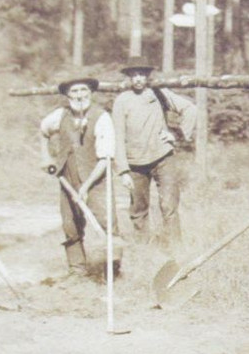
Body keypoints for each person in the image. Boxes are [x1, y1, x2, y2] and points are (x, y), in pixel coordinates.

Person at [39, 76, 117, 277]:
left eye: (83, 90)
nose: (79, 95)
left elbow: (105, 159)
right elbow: (43, 131)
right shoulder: (60, 115)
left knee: (107, 222)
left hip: (96, 178)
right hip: (67, 177)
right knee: (70, 224)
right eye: (74, 91)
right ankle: (77, 271)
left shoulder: (102, 117)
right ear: (67, 95)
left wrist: (85, 187)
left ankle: (113, 272)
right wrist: (46, 157)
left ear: (91, 92)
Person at [111, 64, 196, 247]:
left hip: (163, 158)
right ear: (129, 78)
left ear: (148, 76)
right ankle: (144, 250)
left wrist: (177, 134)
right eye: (134, 75)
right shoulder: (122, 100)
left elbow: (190, 109)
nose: (138, 79)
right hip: (135, 164)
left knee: (168, 205)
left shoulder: (158, 93)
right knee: (138, 210)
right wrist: (123, 170)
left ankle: (175, 250)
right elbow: (117, 136)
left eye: (142, 75)